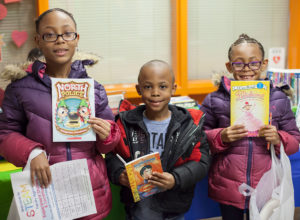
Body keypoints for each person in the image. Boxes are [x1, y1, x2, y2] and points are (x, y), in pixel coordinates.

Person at [0, 8, 120, 220]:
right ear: (38, 40)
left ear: (76, 39)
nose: (60, 40)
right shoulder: (20, 90)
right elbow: (5, 133)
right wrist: (32, 152)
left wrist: (108, 134)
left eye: (67, 33)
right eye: (50, 34)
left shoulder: (94, 89)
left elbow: (109, 142)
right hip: (44, 188)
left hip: (89, 190)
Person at [200, 34, 300, 220]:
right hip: (228, 185)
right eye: (239, 64)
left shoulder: (278, 98)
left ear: (263, 64)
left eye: (253, 63)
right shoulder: (215, 100)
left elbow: (295, 142)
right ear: (229, 66)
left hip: (267, 184)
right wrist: (221, 136)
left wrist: (279, 138)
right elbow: (198, 139)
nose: (246, 69)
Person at [106, 60, 211, 220]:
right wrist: (119, 173)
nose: (155, 93)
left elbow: (201, 161)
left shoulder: (188, 124)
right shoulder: (125, 122)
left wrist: (175, 178)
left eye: (162, 86)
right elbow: (113, 155)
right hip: (138, 206)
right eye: (148, 87)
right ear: (138, 89)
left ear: (173, 88)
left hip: (174, 204)